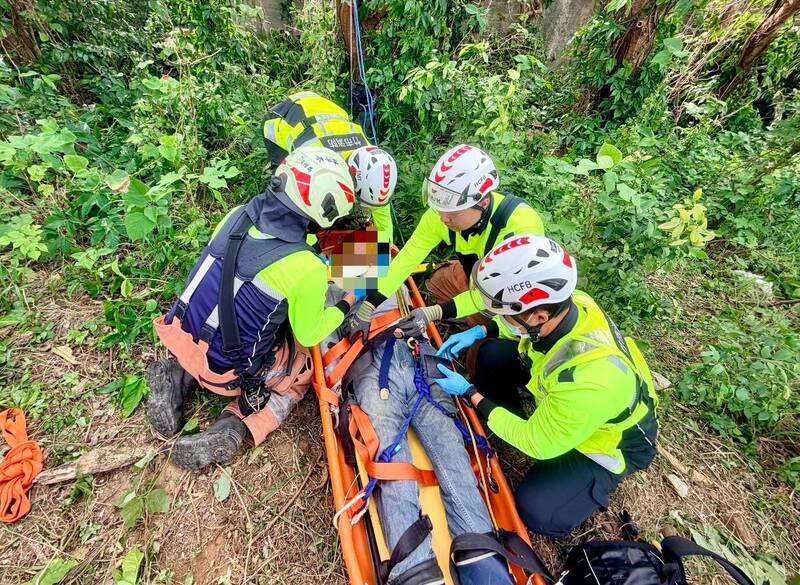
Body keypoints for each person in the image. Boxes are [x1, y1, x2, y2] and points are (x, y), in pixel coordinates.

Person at [427, 234, 659, 538]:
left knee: (537, 510)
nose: (501, 318)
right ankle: (500, 419)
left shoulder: (591, 381)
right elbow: (522, 330)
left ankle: (586, 484)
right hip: (570, 394)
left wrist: (472, 395)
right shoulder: (571, 306)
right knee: (490, 353)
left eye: (506, 314)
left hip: (607, 443)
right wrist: (483, 329)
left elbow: (536, 443)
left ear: (539, 315)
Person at [147, 147, 358, 470]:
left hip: (185, 338)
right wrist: (347, 301)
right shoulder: (307, 268)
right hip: (228, 372)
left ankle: (176, 375)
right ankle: (235, 427)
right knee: (301, 375)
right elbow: (311, 332)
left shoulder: (238, 214)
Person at [327, 290, 515, 585]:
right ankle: (416, 570)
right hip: (370, 362)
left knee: (451, 449)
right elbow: (327, 335)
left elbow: (382, 269)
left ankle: (481, 559)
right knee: (392, 462)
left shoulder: (376, 261)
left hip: (418, 354)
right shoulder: (332, 283)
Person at [348, 144, 544, 341]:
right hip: (475, 273)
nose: (443, 219)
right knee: (435, 284)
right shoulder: (443, 213)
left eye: (453, 213)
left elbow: (497, 295)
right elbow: (407, 258)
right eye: (440, 209)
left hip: (511, 297)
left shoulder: (520, 228)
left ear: (482, 203)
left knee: (483, 355)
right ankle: (459, 307)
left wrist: (434, 313)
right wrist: (369, 305)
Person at [262, 91, 397, 241]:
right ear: (351, 175)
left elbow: (383, 218)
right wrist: (315, 253)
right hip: (282, 118)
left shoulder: (372, 161)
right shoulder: (317, 160)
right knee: (287, 190)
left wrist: (386, 247)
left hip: (321, 111)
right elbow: (304, 203)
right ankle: (274, 235)